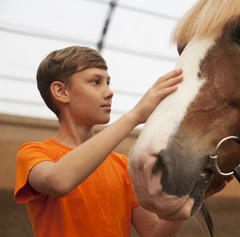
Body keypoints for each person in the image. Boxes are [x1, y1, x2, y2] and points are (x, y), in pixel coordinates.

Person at [14, 46, 186, 237]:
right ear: (61, 92)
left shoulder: (123, 167)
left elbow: (154, 234)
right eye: (96, 82)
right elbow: (59, 182)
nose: (109, 92)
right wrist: (134, 116)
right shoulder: (34, 153)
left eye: (108, 82)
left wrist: (194, 193)